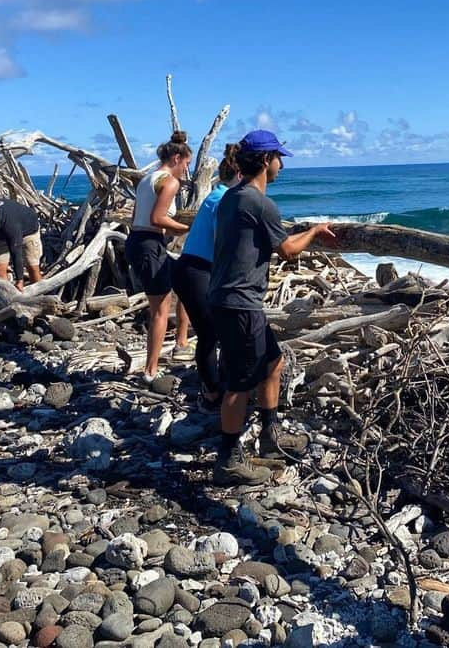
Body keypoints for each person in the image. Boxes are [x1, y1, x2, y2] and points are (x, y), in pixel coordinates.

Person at [208, 130, 336, 485]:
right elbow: (288, 249)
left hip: (228, 298)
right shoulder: (258, 201)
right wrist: (314, 231)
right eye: (279, 157)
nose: (281, 164)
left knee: (273, 362)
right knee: (238, 382)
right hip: (240, 302)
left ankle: (269, 434)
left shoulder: (232, 197)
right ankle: (229, 459)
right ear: (266, 160)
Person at [172, 143, 241, 411]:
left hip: (195, 269)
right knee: (210, 334)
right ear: (239, 176)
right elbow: (224, 241)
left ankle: (215, 385)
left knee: (213, 333)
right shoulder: (223, 200)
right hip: (197, 271)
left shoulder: (217, 195)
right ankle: (212, 393)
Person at [125, 131, 193, 382]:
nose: (187, 170)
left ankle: (181, 342)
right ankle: (151, 370)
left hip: (137, 241)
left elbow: (136, 217)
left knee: (184, 284)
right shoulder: (170, 182)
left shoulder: (146, 180)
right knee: (159, 310)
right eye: (186, 164)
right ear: (176, 158)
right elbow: (157, 218)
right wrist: (187, 228)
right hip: (149, 244)